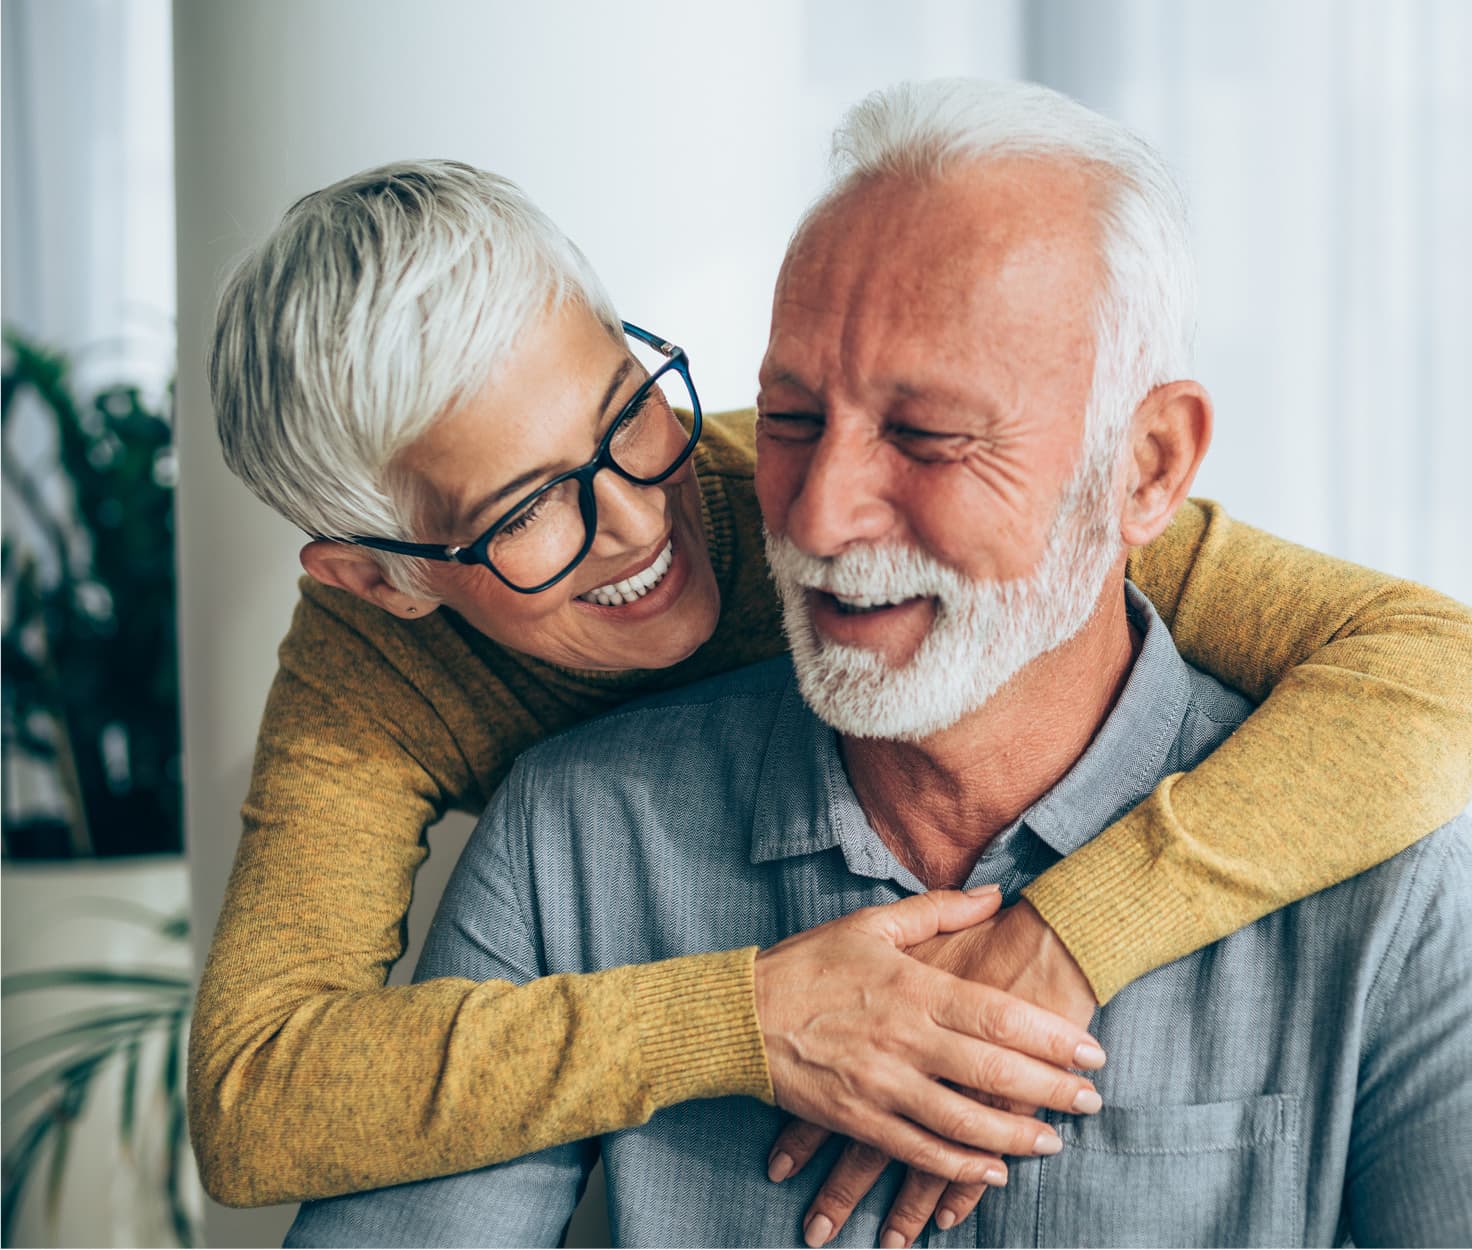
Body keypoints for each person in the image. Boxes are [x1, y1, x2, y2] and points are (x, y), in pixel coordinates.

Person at [281, 78, 1472, 1250]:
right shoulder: (572, 835)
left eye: (927, 435)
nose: (815, 513)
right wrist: (728, 1021)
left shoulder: (1396, 879)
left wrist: (1079, 930)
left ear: (1147, 467)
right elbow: (254, 1094)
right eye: (790, 420)